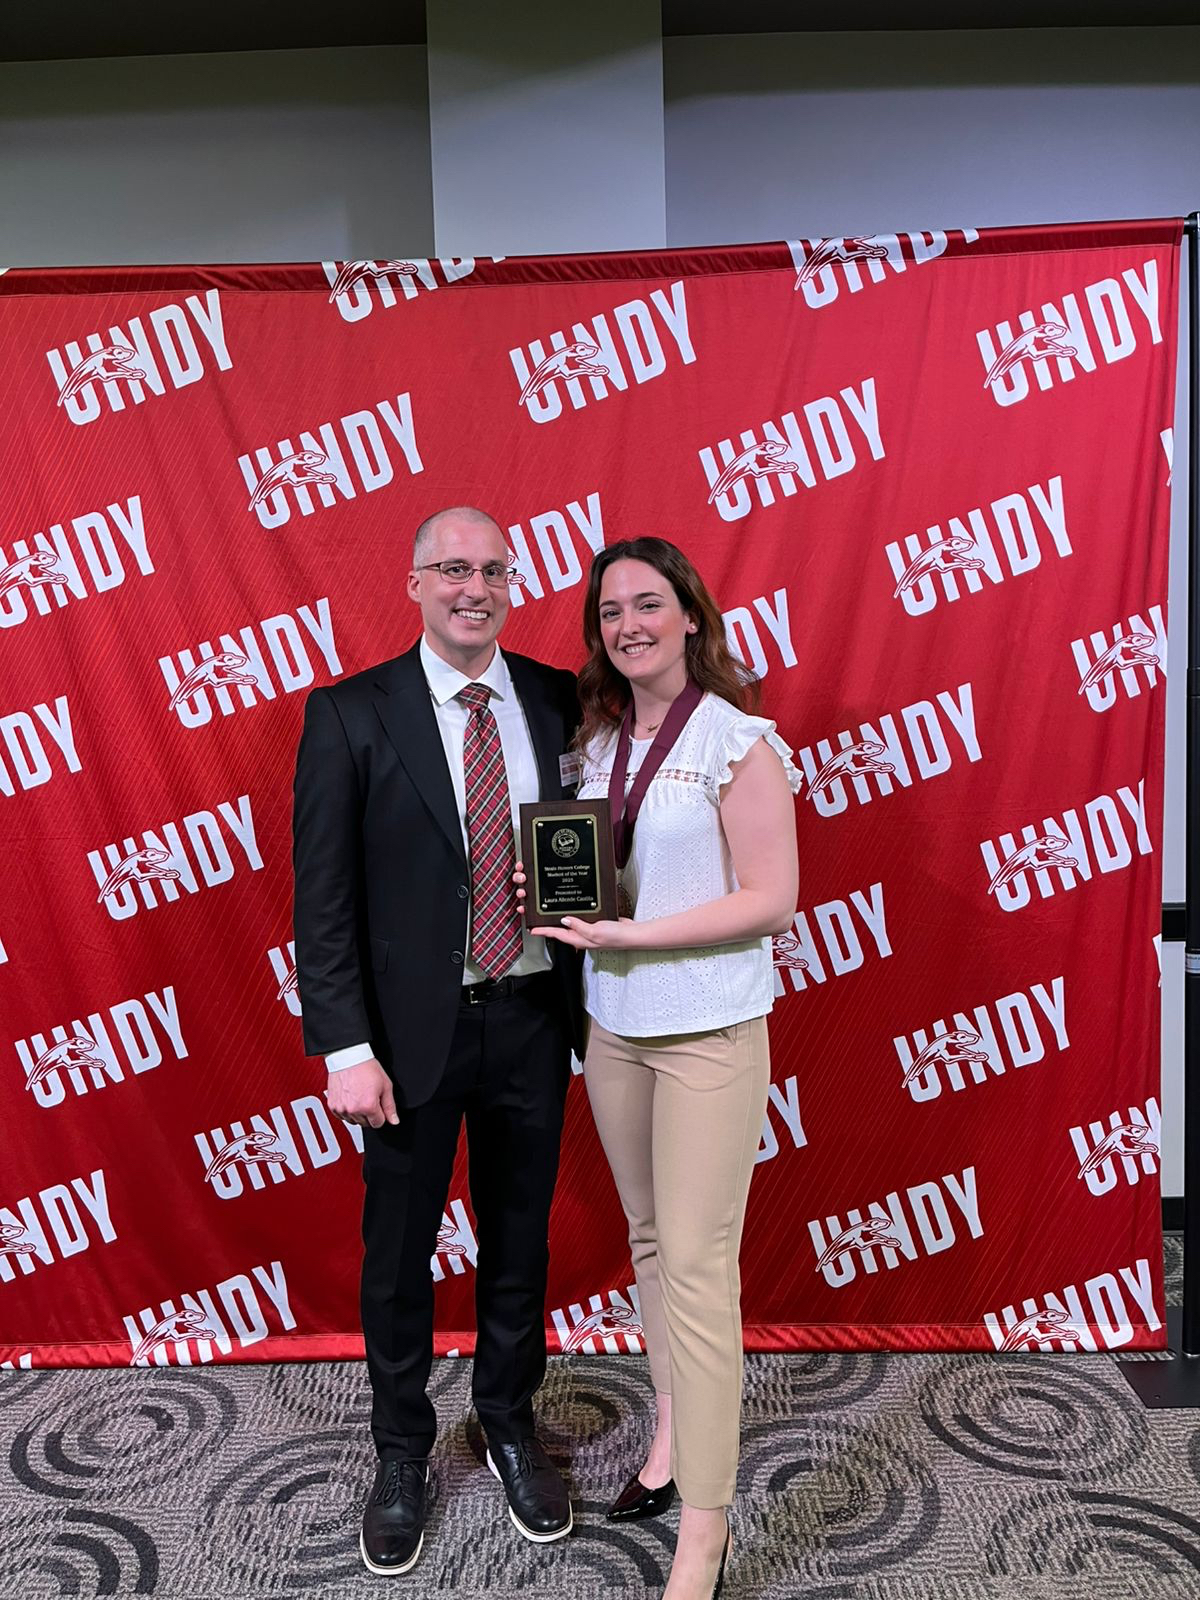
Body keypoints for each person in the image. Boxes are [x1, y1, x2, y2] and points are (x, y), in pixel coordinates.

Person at [292, 506, 584, 1578]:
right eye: (452, 568)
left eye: (493, 569)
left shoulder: (559, 700)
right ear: (414, 583)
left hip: (533, 1018)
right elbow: (321, 904)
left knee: (520, 1244)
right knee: (397, 1260)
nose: (475, 586)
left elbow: (595, 850)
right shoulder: (350, 713)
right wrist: (343, 1049)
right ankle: (402, 1453)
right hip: (406, 1044)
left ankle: (508, 1425)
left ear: (513, 583)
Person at [526, 536, 800, 1600]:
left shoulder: (738, 739)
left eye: (648, 603)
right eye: (609, 612)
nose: (627, 624)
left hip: (710, 1032)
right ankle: (673, 1433)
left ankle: (706, 1530)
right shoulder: (591, 748)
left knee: (696, 1266)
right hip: (615, 1030)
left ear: (691, 614)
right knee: (649, 1242)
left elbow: (772, 897)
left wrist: (636, 936)